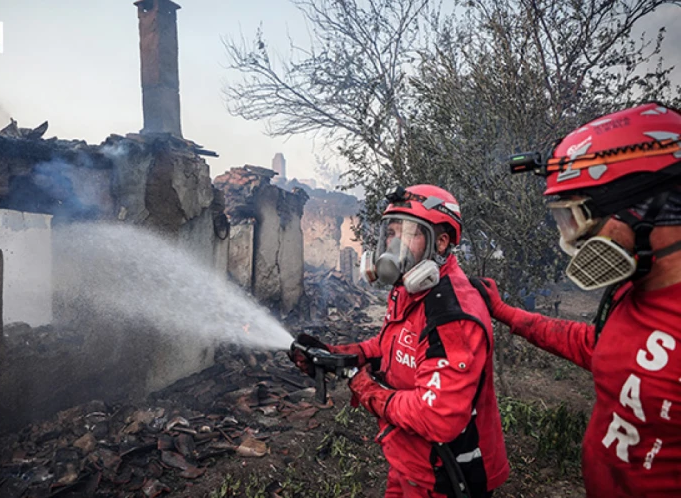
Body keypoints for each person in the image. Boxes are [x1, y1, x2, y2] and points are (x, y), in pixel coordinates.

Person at [479, 102, 681, 497]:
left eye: (579, 222)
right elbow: (601, 347)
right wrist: (506, 313)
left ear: (643, 209)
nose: (572, 243)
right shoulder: (632, 288)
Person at [290, 185, 509, 498]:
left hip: (446, 476)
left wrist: (369, 390)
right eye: (390, 233)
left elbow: (437, 417)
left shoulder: (452, 314)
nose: (393, 244)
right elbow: (391, 346)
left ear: (441, 242)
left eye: (408, 233)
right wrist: (338, 356)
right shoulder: (410, 290)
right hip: (408, 461)